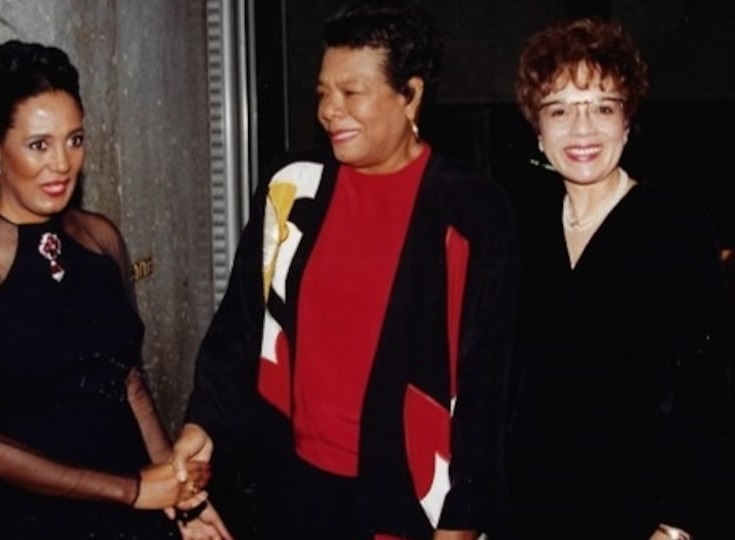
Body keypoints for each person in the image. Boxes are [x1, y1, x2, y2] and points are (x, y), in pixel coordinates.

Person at [171, 1, 517, 539]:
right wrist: (203, 423)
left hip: (407, 499)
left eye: (351, 92)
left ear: (411, 95)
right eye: (323, 93)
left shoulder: (471, 209)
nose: (330, 110)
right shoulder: (293, 188)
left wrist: (462, 521)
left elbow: (487, 385)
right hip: (295, 490)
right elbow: (240, 330)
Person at [0, 40, 219, 540]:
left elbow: (127, 378)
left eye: (74, 140)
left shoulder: (100, 239)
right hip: (29, 520)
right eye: (39, 144)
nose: (62, 164)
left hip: (129, 508)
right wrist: (132, 489)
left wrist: (177, 490)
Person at [505, 17, 730, 540]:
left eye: (602, 108)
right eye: (559, 110)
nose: (582, 131)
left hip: (636, 517)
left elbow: (707, 390)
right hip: (529, 513)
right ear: (538, 129)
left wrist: (678, 525)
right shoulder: (522, 228)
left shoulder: (675, 223)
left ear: (627, 123)